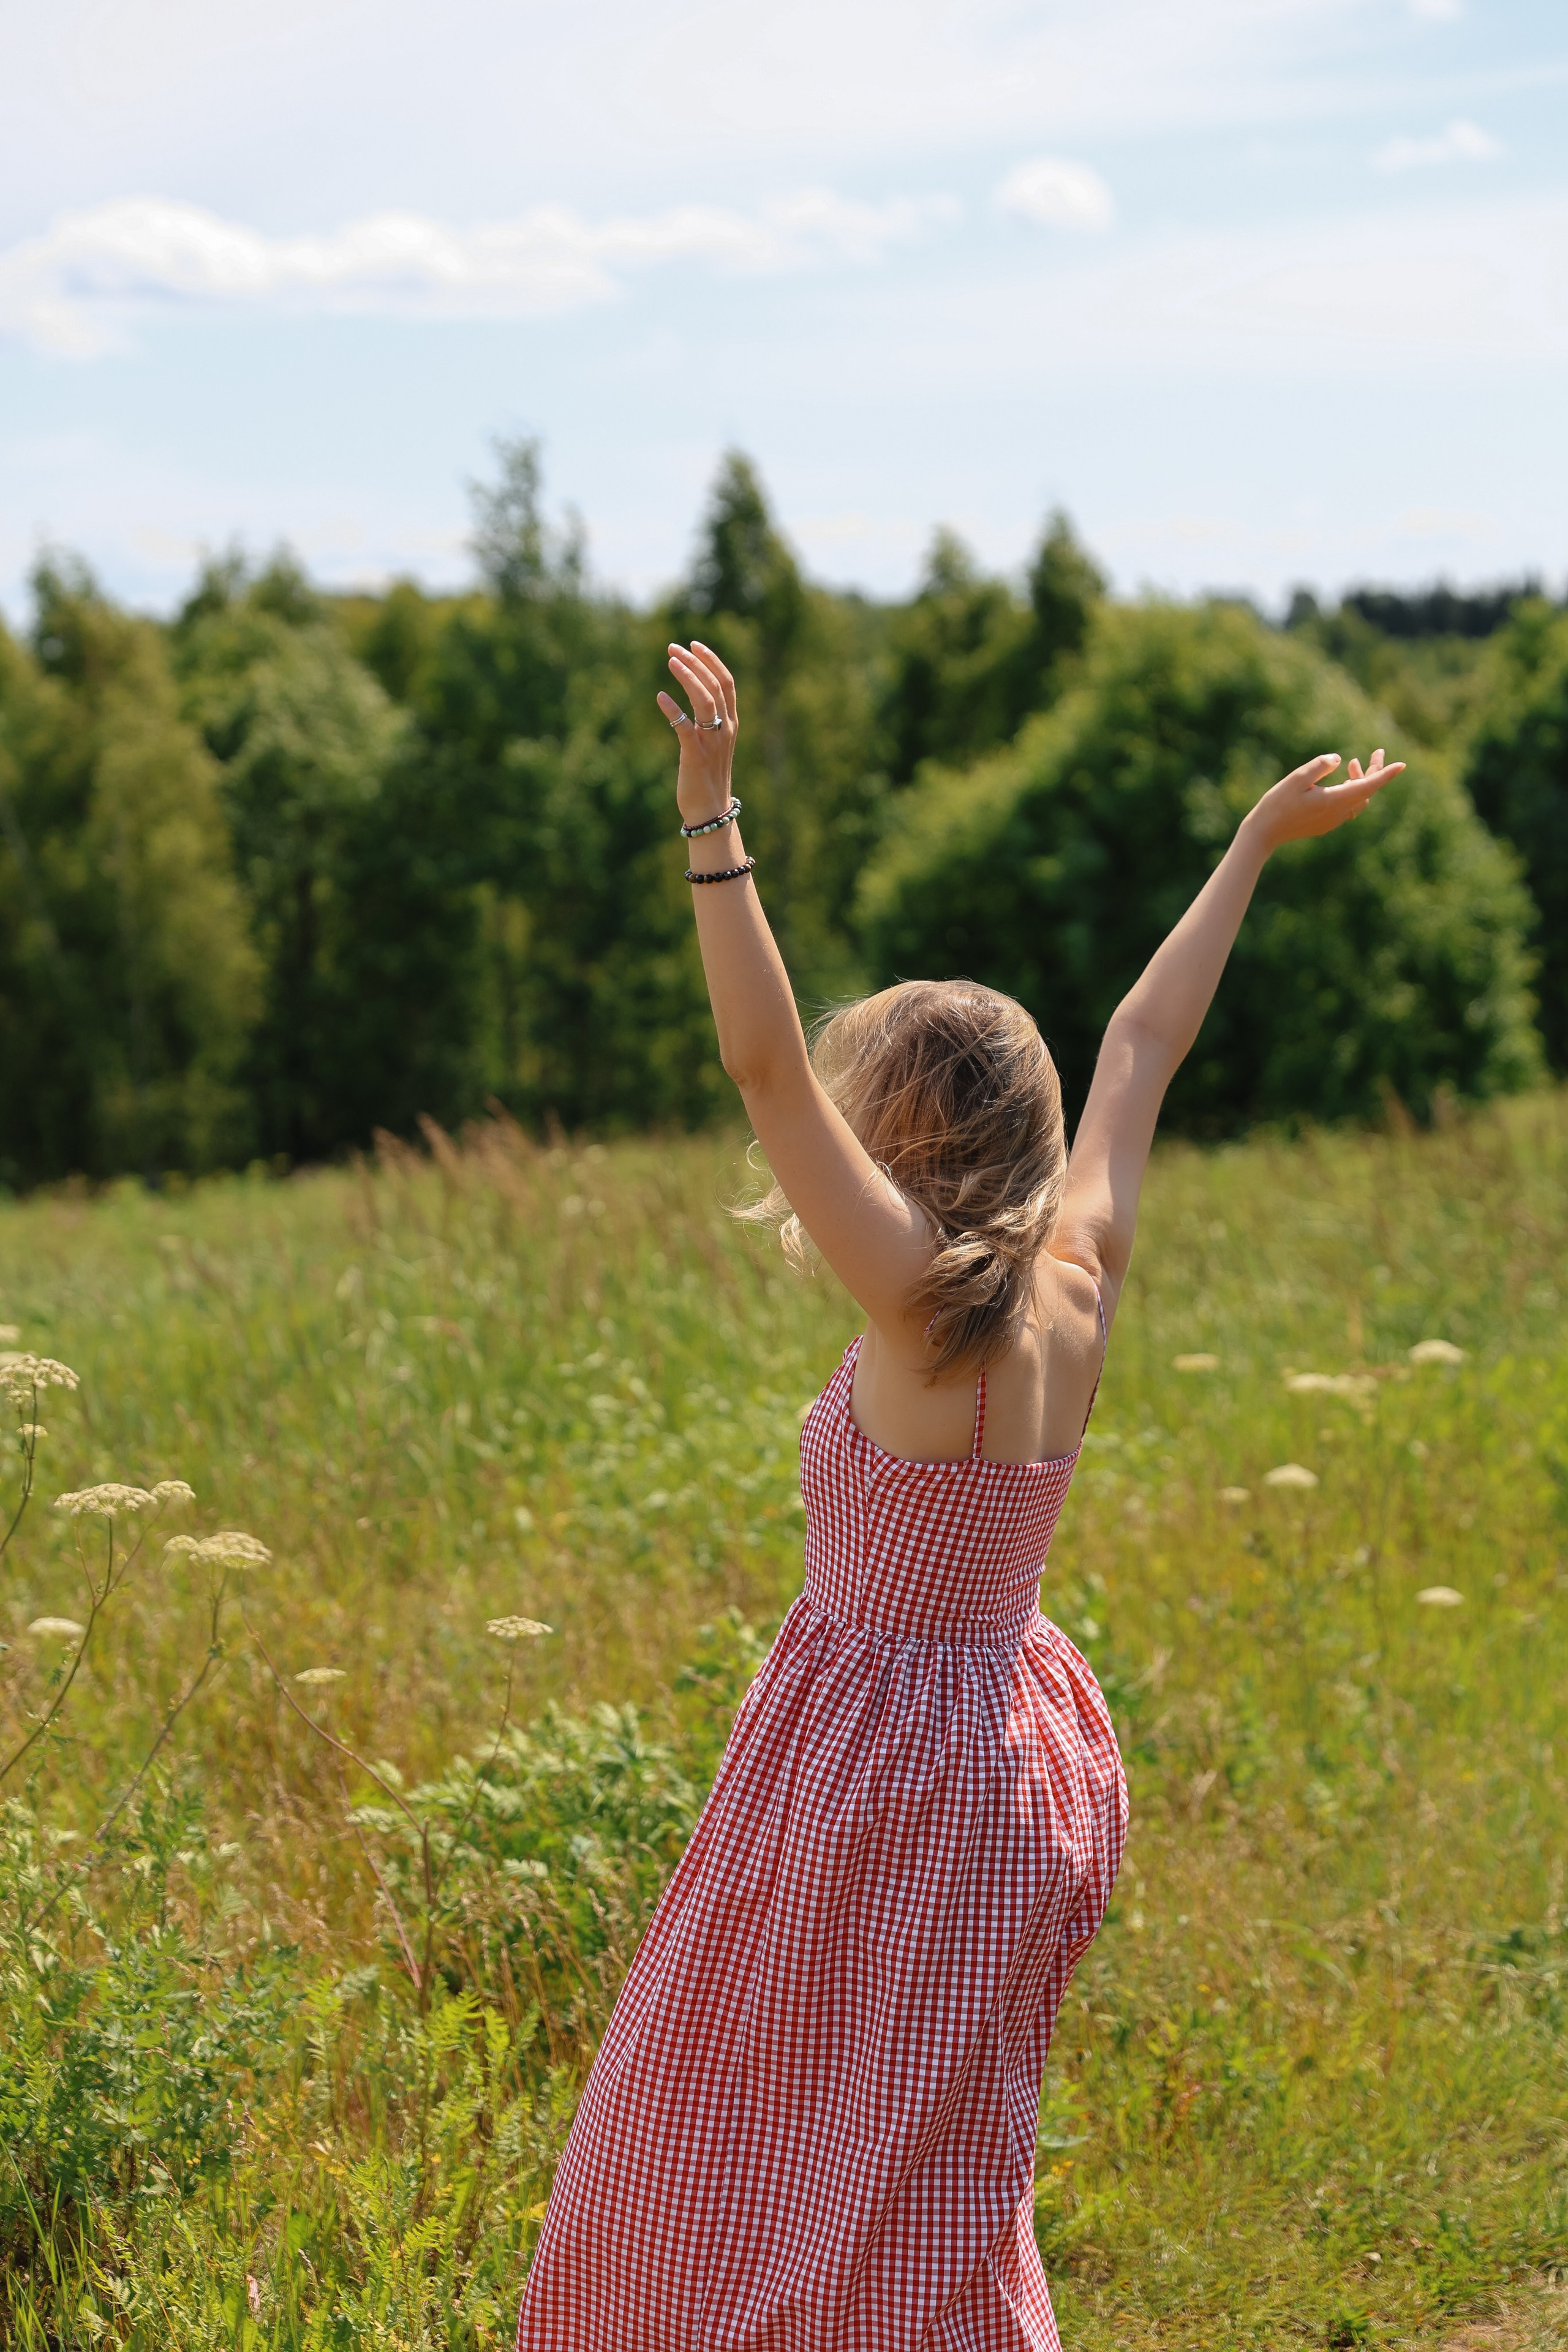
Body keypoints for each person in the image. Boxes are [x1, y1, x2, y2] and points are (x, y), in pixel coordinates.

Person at [516, 641, 1401, 2352]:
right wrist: (1248, 850)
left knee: (711, 2129)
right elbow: (1144, 1042)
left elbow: (763, 1070)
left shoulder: (920, 1296)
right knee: (938, 2170)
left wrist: (716, 825)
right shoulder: (1078, 1276)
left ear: (905, 1137)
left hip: (867, 1779)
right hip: (1016, 1762)